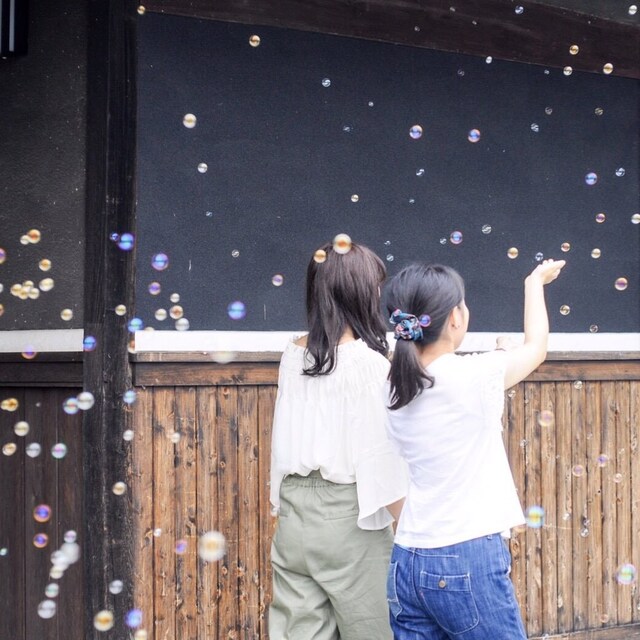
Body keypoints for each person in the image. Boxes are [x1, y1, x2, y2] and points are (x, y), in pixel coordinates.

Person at [383, 259, 565, 639]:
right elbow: (536, 348)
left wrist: (500, 357)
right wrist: (534, 282)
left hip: (406, 558)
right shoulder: (474, 376)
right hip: (465, 556)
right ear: (455, 317)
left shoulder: (393, 385)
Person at [269, 239, 408, 640]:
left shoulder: (292, 355)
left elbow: (282, 437)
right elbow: (381, 459)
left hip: (293, 515)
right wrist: (410, 529)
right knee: (374, 630)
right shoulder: (368, 364)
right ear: (360, 293)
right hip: (350, 518)